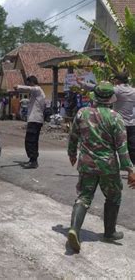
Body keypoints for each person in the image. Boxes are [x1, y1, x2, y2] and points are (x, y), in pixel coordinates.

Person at [67, 82, 135, 253]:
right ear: (111, 99)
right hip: (108, 167)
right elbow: (122, 147)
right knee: (113, 197)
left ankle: (74, 229)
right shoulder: (115, 118)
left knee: (83, 197)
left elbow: (73, 136)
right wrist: (130, 169)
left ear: (94, 97)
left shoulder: (82, 113)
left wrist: (72, 154)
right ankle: (109, 232)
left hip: (86, 164)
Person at [77, 72, 135, 164]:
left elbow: (98, 88)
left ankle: (108, 165)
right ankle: (132, 168)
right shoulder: (133, 91)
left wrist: (83, 84)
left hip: (118, 122)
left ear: (117, 80)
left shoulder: (117, 90)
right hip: (131, 123)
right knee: (132, 147)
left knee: (111, 146)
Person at [14, 75, 46, 169]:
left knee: (30, 141)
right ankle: (33, 160)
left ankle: (33, 161)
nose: (28, 85)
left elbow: (29, 88)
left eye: (28, 83)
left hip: (35, 120)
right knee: (33, 141)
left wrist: (18, 87)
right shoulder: (36, 94)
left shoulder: (38, 90)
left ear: (32, 82)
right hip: (36, 119)